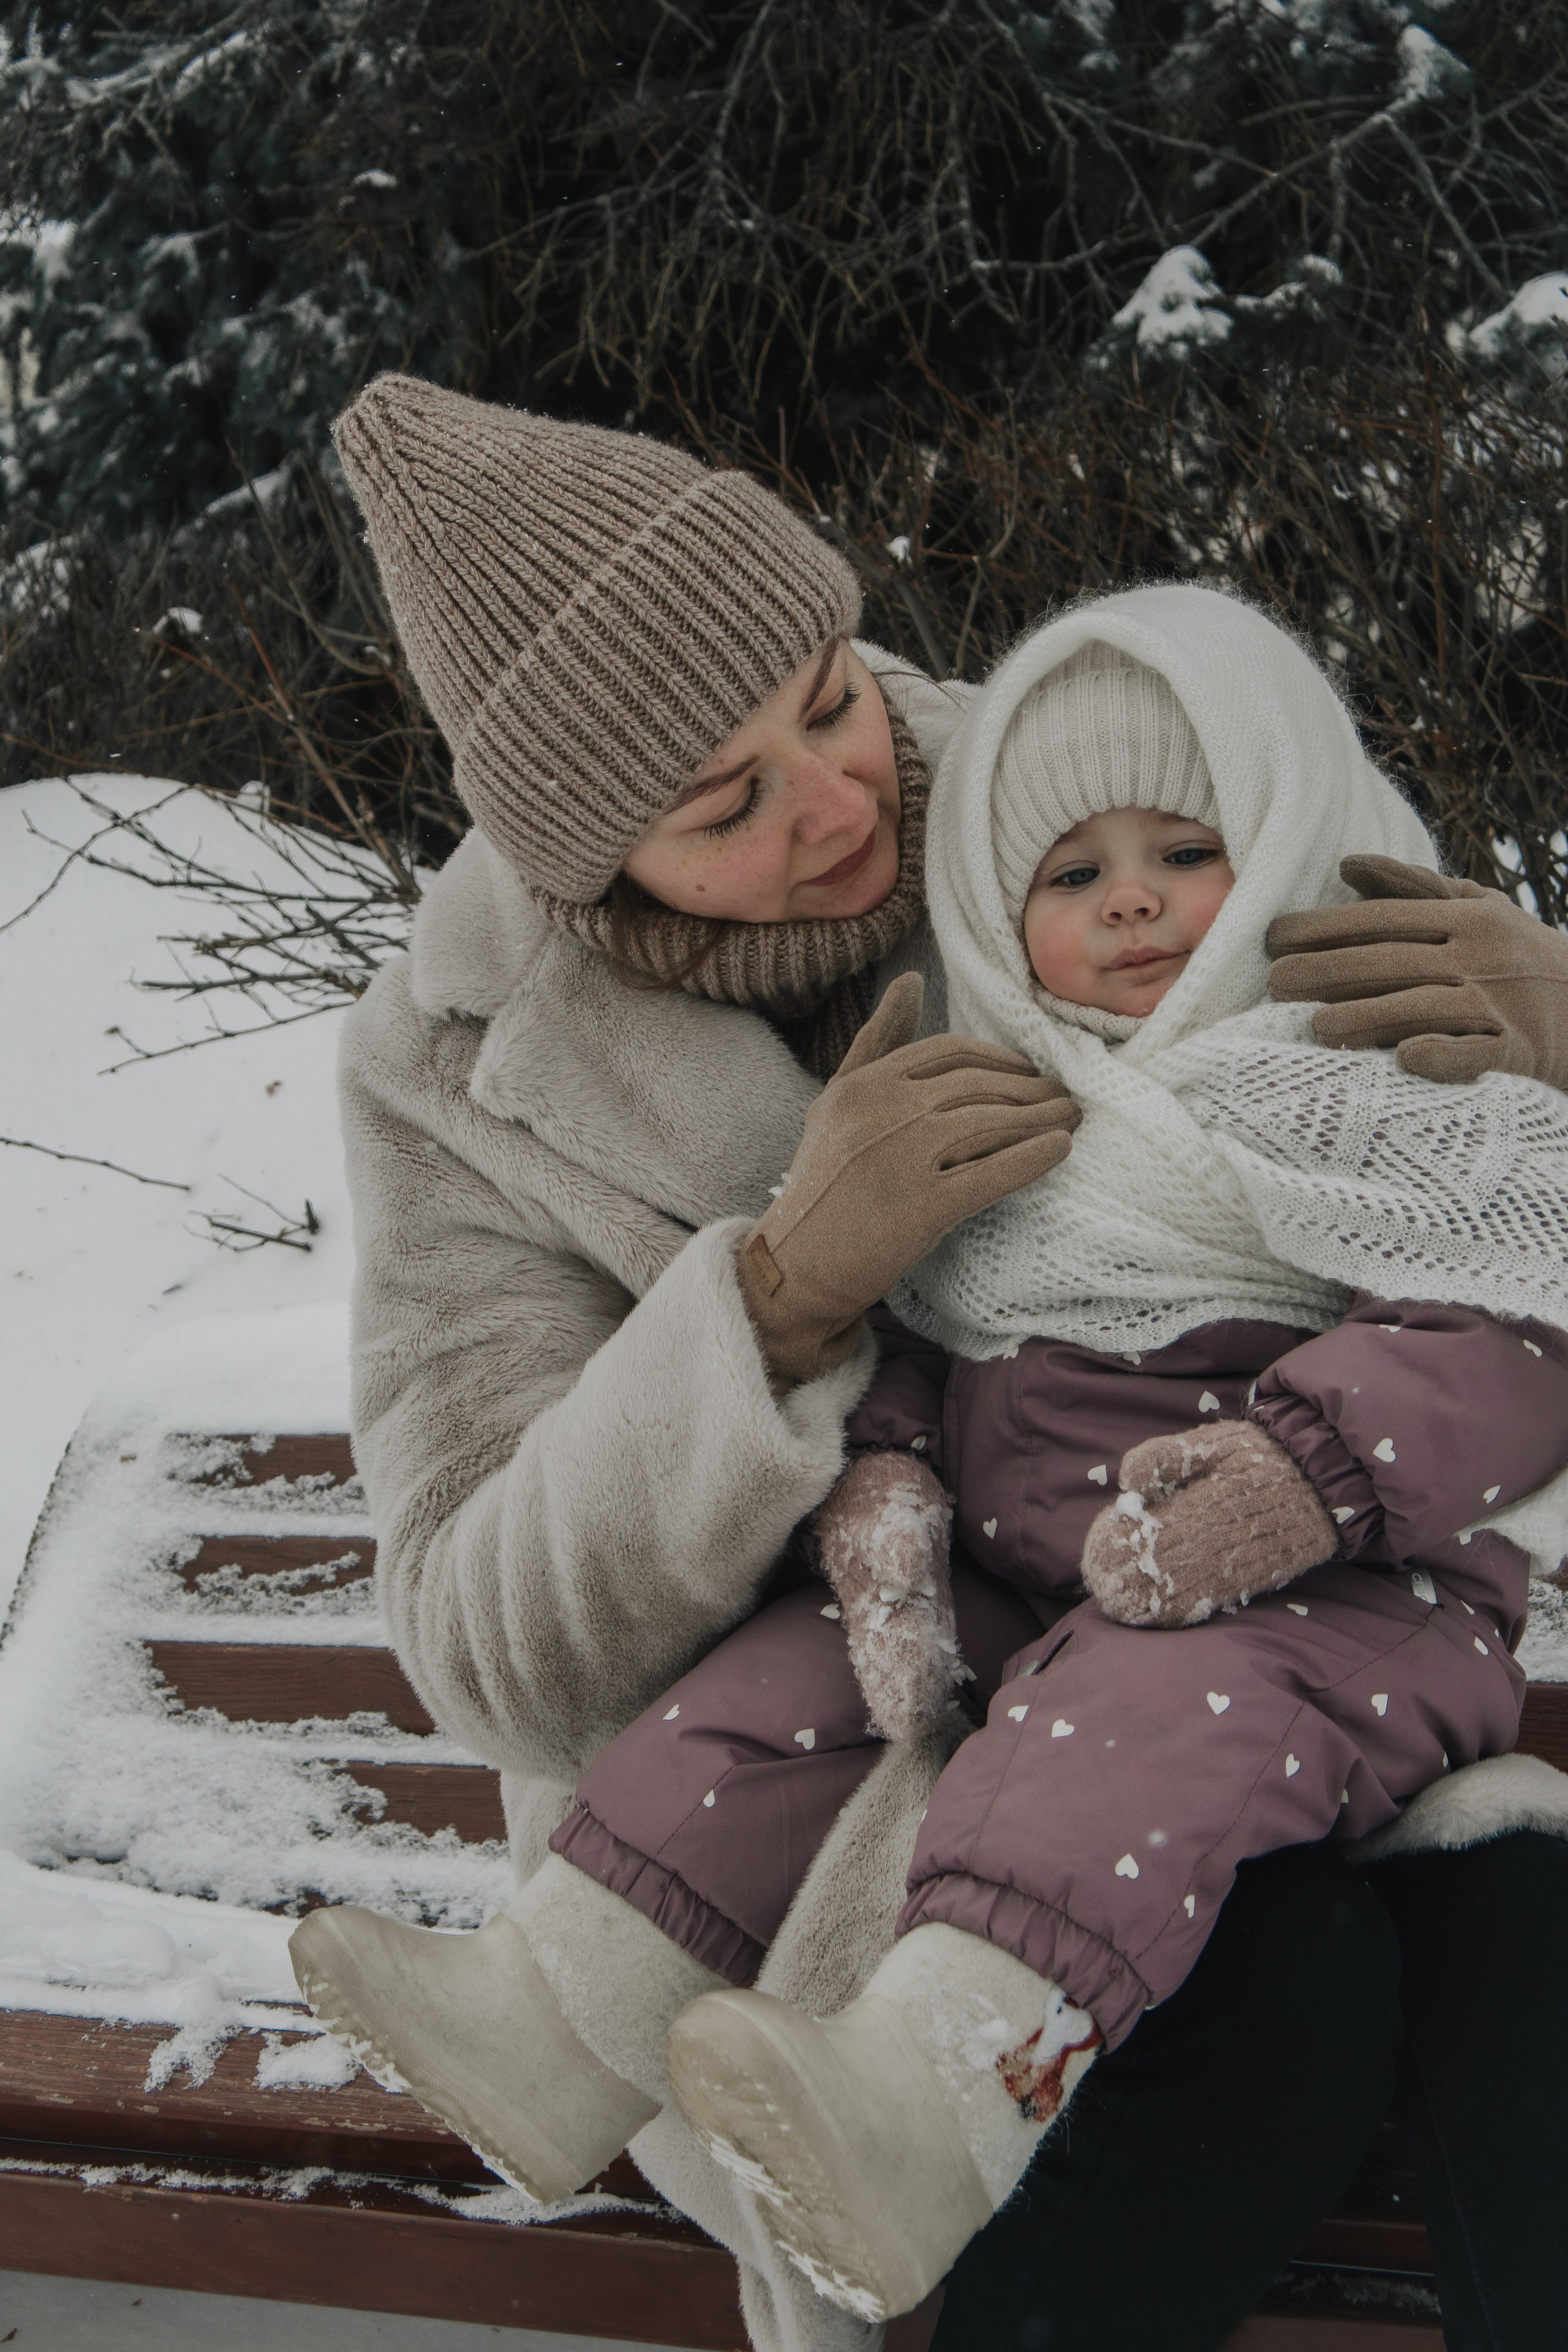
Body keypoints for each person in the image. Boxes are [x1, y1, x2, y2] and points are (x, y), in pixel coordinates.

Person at [288, 375, 1568, 2352]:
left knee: (1477, 1954)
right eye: (727, 803)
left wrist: (1559, 1042)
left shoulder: (1078, 807)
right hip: (802, 1794)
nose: (841, 792)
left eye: (825, 690)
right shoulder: (456, 1080)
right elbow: (488, 1646)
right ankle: (606, 2033)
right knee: (1271, 1988)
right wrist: (781, 1300)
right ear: (583, 865)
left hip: (1259, 1632)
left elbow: (1475, 1238)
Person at [634, 594, 1568, 2321]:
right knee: (1278, 1989)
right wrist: (884, 1476)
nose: (1130, 897)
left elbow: (1499, 1302)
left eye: (1187, 850)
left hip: (1348, 1639)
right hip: (1059, 1709)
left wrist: (1309, 1475)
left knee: (1508, 1948)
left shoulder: (1399, 1070)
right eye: (1073, 876)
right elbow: (944, 1346)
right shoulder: (1006, 1097)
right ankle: (636, 2015)